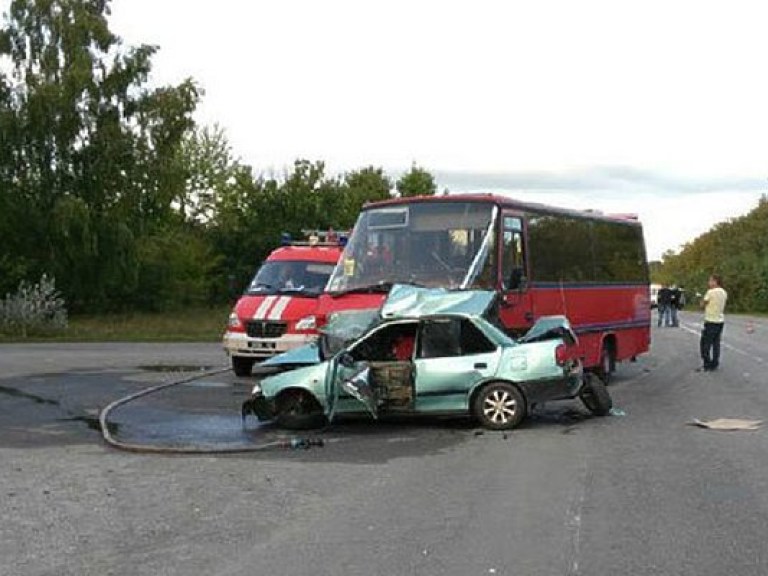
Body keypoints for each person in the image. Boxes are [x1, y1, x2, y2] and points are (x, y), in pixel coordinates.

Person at [697, 274, 727, 372]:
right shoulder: (724, 292)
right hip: (720, 320)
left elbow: (702, 305)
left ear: (715, 281)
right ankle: (715, 363)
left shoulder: (710, 292)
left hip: (711, 321)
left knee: (705, 343)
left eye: (710, 281)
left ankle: (707, 364)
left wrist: (701, 300)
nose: (709, 283)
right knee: (716, 343)